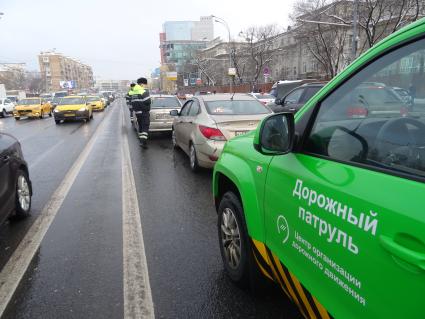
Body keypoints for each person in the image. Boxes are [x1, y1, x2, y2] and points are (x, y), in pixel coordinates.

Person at [130, 77, 151, 148]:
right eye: (145, 84)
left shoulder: (134, 92)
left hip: (137, 113)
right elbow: (148, 102)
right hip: (144, 112)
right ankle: (143, 142)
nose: (146, 86)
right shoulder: (143, 91)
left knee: (141, 127)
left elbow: (132, 103)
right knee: (145, 127)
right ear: (142, 84)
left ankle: (142, 141)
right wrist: (146, 107)